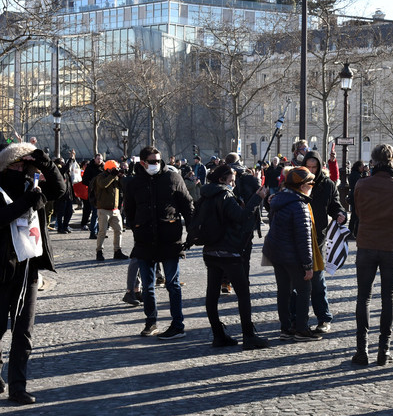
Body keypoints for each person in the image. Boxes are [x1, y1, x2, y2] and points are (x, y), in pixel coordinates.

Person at [0, 142, 65, 404]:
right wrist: (27, 201)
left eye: (24, 163)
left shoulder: (29, 184)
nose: (22, 168)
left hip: (28, 268)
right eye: (15, 163)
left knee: (24, 331)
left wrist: (44, 162)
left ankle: (18, 387)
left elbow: (59, 189)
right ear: (0, 167)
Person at [124, 146, 194, 340]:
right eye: (152, 161)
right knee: (147, 286)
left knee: (172, 284)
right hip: (145, 240)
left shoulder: (173, 178)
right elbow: (129, 209)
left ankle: (177, 324)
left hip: (169, 239)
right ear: (143, 163)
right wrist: (136, 226)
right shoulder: (134, 183)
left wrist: (192, 230)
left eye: (158, 161)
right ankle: (151, 321)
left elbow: (187, 205)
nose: (156, 164)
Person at [351, 144, 393, 366]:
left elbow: (358, 212)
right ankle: (383, 350)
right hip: (392, 245)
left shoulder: (362, 184)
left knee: (363, 297)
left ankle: (361, 350)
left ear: (373, 161)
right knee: (389, 297)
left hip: (367, 244)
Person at [199, 164, 270, 349]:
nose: (233, 184)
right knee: (243, 293)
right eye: (231, 181)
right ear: (222, 179)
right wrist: (257, 198)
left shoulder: (205, 195)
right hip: (228, 251)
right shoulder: (225, 195)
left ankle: (218, 335)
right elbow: (242, 216)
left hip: (210, 250)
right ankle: (248, 335)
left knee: (212, 294)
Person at [263, 167, 323, 342]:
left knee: (284, 291)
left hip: (276, 253)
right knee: (304, 289)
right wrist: (308, 265)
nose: (313, 185)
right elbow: (304, 239)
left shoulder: (279, 199)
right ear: (302, 185)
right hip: (292, 256)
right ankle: (302, 329)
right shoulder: (299, 205)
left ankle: (286, 328)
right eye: (310, 183)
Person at [302, 150, 346, 334]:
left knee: (318, 282)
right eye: (308, 167)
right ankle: (296, 320)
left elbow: (334, 204)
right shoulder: (295, 181)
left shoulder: (327, 185)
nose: (311, 171)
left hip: (318, 238)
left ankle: (323, 318)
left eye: (315, 167)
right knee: (296, 283)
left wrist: (339, 214)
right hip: (297, 238)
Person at [93, 160, 128, 261]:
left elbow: (123, 187)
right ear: (109, 169)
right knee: (102, 231)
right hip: (103, 209)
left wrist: (122, 177)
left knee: (119, 230)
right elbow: (103, 185)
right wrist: (112, 176)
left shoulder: (115, 177)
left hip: (115, 209)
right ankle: (99, 251)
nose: (116, 170)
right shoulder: (100, 177)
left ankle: (117, 251)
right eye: (114, 169)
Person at [81, 153, 104, 237]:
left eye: (101, 159)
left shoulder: (104, 167)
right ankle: (93, 232)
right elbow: (84, 181)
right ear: (94, 159)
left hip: (103, 193)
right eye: (98, 159)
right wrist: (93, 184)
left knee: (102, 214)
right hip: (94, 193)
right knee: (95, 213)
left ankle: (100, 232)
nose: (99, 160)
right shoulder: (90, 167)